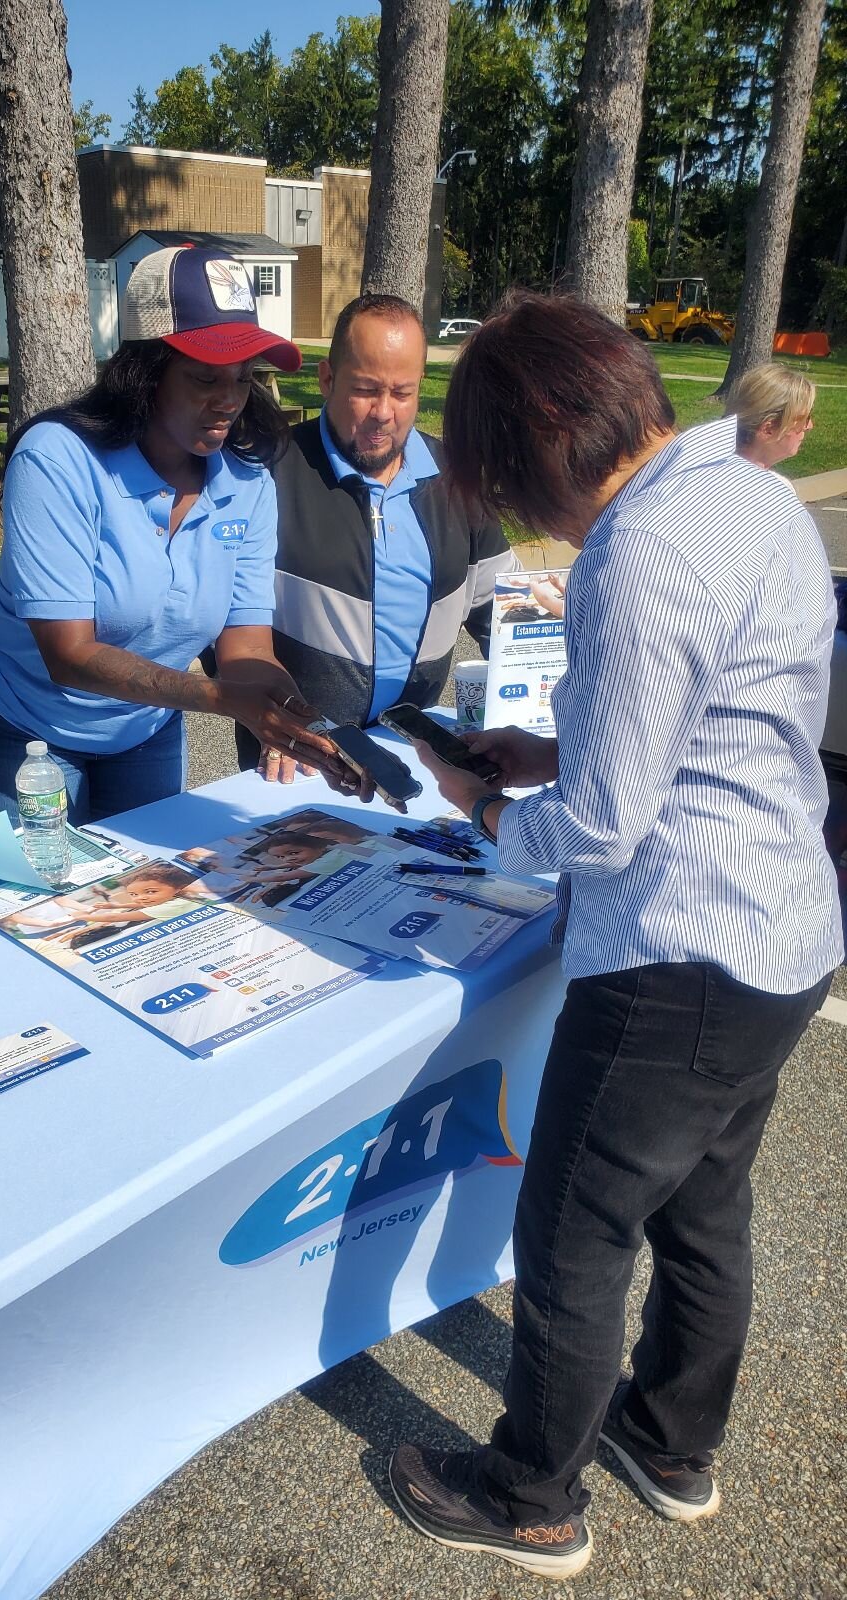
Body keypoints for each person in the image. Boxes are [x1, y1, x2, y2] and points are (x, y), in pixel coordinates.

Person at [384, 291, 842, 1580]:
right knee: (705, 1210)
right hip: (782, 933)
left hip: (676, 959)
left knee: (577, 1233)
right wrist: (548, 741)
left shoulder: (635, 557)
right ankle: (670, 1442)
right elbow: (713, 709)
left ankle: (532, 1492)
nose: (521, 522)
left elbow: (600, 823)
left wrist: (486, 808)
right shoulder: (748, 489)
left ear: (532, 454)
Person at [0, 247, 350, 828]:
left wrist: (297, 720)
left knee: (143, 894)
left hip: (147, 722)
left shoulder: (247, 484)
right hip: (30, 727)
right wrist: (223, 699)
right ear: (143, 372)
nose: (228, 401)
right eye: (203, 378)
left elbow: (244, 647)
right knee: (43, 900)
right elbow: (68, 655)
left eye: (243, 379)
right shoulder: (57, 460)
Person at [240, 292, 518, 783]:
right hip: (301, 760)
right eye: (366, 389)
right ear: (326, 379)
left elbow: (507, 621)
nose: (384, 413)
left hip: (417, 754)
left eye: (403, 392)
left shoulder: (458, 479)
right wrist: (274, 720)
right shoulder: (266, 475)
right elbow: (228, 630)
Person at [725, 362, 815, 468]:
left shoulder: (708, 466)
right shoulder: (766, 484)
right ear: (768, 428)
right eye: (804, 419)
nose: (810, 426)